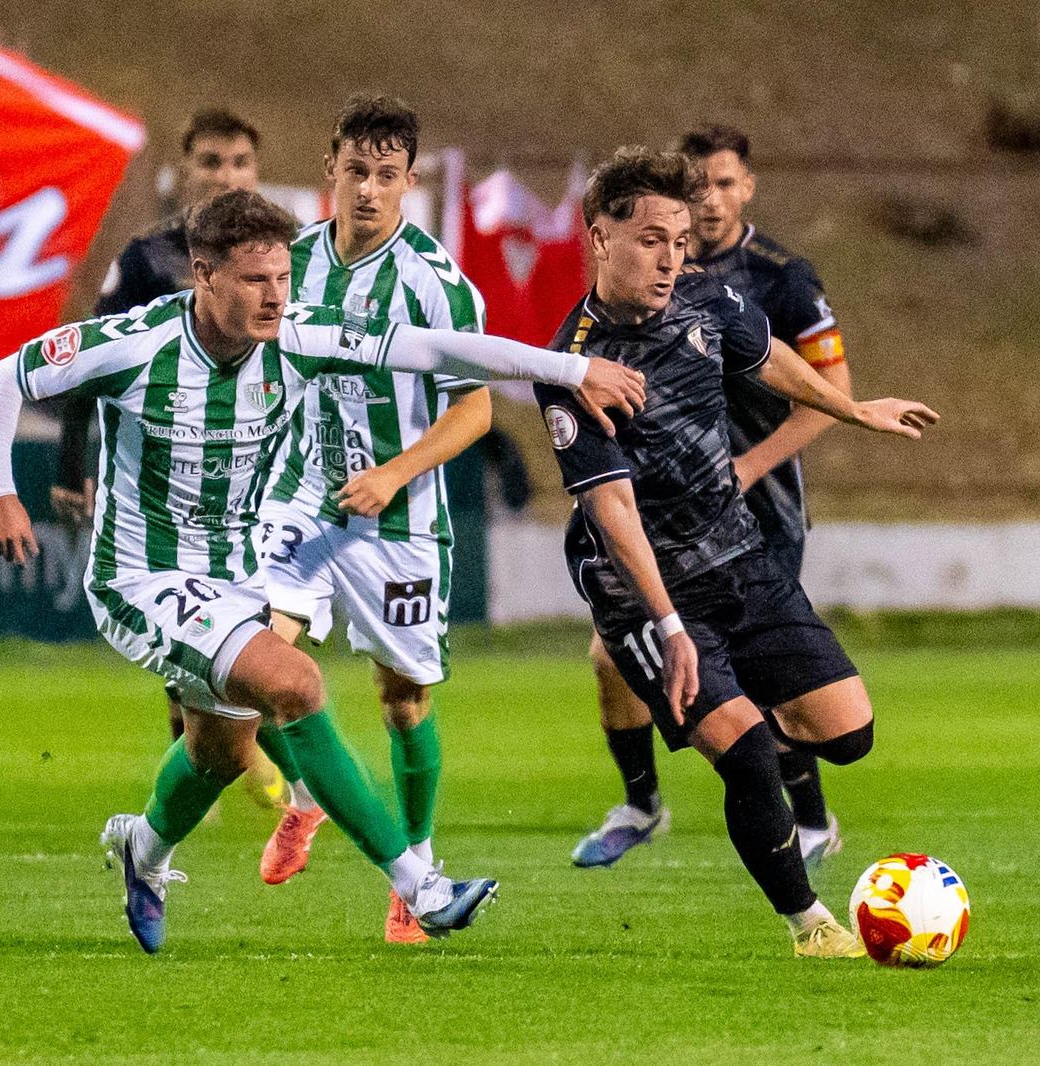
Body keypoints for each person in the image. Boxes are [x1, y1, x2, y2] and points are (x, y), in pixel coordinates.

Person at [0, 190, 646, 952]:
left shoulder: (301, 334)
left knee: (219, 752)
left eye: (284, 278)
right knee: (296, 683)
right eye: (255, 280)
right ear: (203, 275)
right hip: (142, 578)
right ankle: (420, 886)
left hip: (237, 574)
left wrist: (570, 366)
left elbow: (437, 350)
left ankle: (144, 851)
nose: (275, 296)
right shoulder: (135, 343)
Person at [534, 147, 937, 957]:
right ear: (599, 235)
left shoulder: (709, 299)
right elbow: (611, 507)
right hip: (645, 591)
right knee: (750, 758)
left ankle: (734, 709)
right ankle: (808, 925)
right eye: (651, 238)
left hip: (740, 555)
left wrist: (852, 410)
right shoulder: (573, 364)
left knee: (849, 735)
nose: (670, 257)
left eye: (679, 240)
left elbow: (771, 357)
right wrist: (670, 625)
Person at [572, 124, 853, 870]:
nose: (714, 202)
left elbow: (826, 393)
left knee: (782, 684)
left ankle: (811, 815)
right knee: (613, 658)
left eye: (726, 185)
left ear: (747, 188)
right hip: (664, 516)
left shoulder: (779, 277)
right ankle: (643, 801)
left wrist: (752, 465)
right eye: (702, 189)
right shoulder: (628, 302)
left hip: (762, 508)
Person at [250, 95, 491, 944]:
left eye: (386, 176)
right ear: (331, 170)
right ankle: (314, 801)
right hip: (303, 502)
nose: (368, 189)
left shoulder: (435, 283)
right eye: (356, 170)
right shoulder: (289, 264)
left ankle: (412, 868)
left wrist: (395, 471)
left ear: (409, 182)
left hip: (401, 522)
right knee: (252, 666)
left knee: (403, 701)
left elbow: (475, 410)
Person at [53, 108, 271, 763]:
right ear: (183, 173)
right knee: (204, 651)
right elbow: (83, 364)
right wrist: (72, 463)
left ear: (257, 173)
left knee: (255, 643)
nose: (225, 175)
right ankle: (231, 782)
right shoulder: (148, 261)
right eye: (211, 161)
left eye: (238, 162)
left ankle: (245, 779)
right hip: (165, 477)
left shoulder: (284, 259)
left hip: (260, 470)